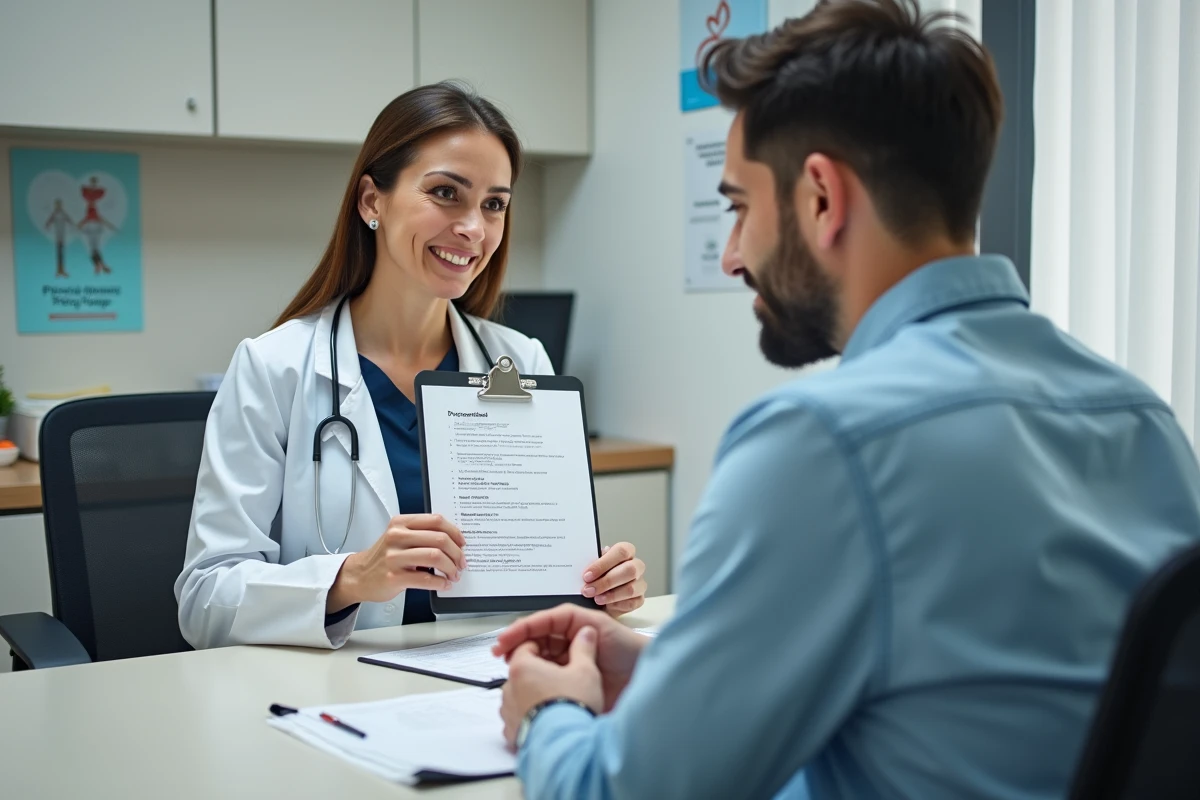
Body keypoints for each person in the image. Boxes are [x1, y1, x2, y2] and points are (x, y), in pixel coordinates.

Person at [491, 2, 1200, 798]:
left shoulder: (823, 442)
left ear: (821, 198)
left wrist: (552, 713)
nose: (731, 255)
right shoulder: (1143, 420)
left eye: (738, 207)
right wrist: (671, 672)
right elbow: (979, 702)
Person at [175, 82, 648, 650]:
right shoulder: (274, 368)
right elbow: (204, 599)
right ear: (372, 201)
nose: (474, 227)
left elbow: (539, 575)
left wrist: (598, 583)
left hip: (487, 681)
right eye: (446, 192)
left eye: (494, 204)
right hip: (334, 693)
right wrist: (350, 580)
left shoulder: (521, 362)